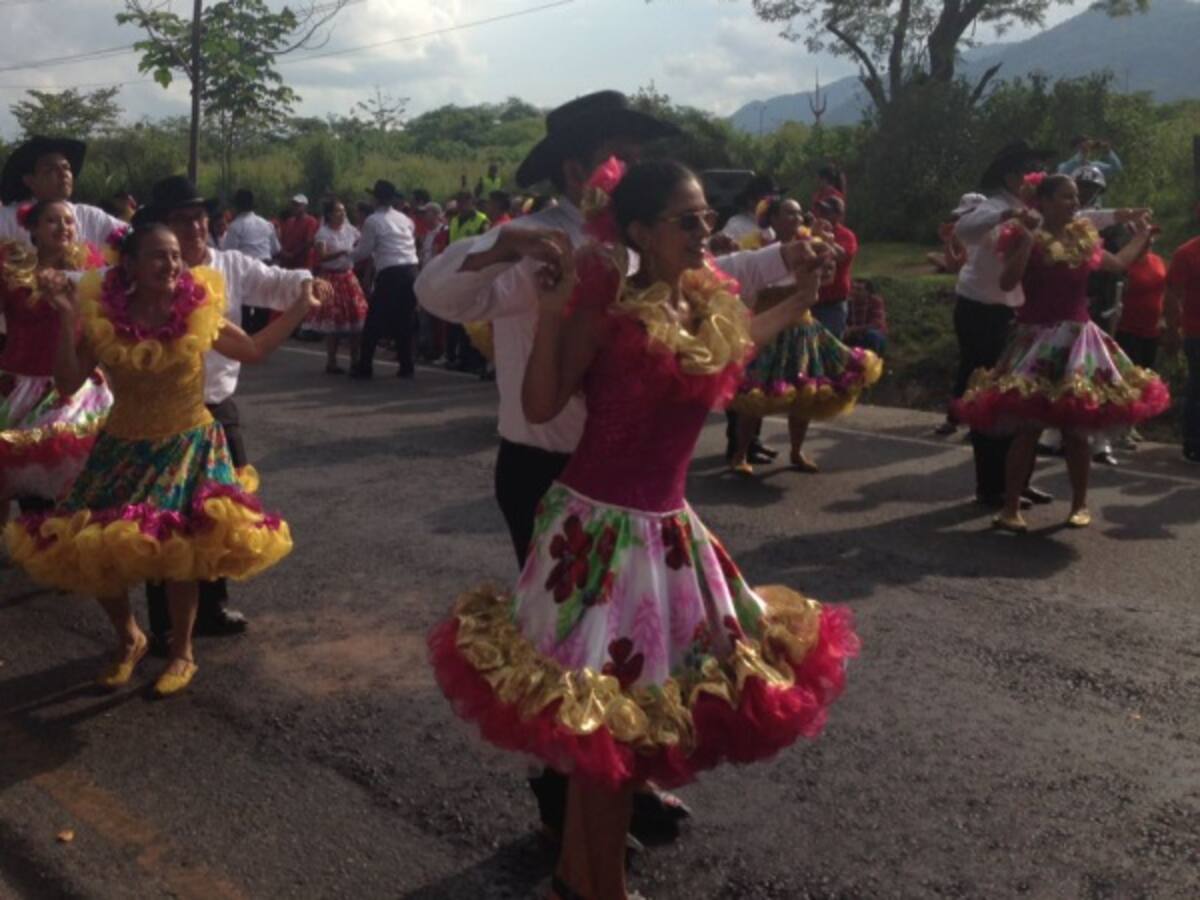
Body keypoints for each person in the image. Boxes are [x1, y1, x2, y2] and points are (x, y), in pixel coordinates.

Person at [427, 158, 858, 900]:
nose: (704, 232)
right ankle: (604, 889)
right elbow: (538, 407)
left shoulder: (705, 305)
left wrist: (802, 297)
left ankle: (578, 876)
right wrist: (557, 310)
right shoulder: (608, 310)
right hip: (595, 536)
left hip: (667, 536)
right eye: (685, 221)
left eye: (705, 220)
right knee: (605, 726)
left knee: (631, 724)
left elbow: (737, 341)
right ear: (639, 232)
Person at [4, 221, 314, 696]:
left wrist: (299, 308)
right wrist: (68, 319)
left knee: (178, 552)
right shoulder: (107, 317)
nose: (171, 264)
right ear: (129, 264)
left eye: (174, 256)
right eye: (158, 256)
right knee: (93, 548)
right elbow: (67, 383)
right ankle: (129, 637)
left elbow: (252, 349)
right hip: (123, 444)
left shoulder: (197, 311)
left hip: (187, 443)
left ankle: (182, 651)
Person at [141, 175, 329, 653]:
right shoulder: (148, 275)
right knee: (161, 520)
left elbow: (281, 284)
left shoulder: (231, 265)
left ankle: (213, 603)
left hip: (216, 407)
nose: (195, 227)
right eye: (182, 220)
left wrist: (311, 282)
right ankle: (164, 621)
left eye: (201, 217)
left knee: (221, 509)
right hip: (161, 414)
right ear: (161, 227)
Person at [953, 174, 1168, 531]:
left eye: (1075, 197)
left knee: (1076, 430)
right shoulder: (1023, 234)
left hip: (1078, 339)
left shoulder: (1081, 236)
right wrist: (1025, 240)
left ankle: (1079, 505)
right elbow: (1008, 283)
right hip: (1036, 338)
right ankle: (1009, 508)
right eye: (1067, 196)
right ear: (1045, 201)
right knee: (1028, 429)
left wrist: (1144, 238)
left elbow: (1116, 264)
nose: (1074, 202)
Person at [728, 197, 882, 475]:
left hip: (803, 328)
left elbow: (831, 268)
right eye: (789, 213)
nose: (797, 219)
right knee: (756, 395)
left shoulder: (811, 244)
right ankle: (740, 453)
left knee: (806, 392)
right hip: (769, 328)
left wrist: (823, 259)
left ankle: (797, 451)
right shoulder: (756, 245)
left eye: (799, 214)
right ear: (772, 218)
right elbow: (746, 287)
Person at [952, 140, 1058, 509]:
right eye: (1032, 173)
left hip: (1017, 314)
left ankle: (1017, 480)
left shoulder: (1031, 209)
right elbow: (964, 229)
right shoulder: (993, 206)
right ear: (1014, 177)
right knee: (991, 397)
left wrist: (1120, 216)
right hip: (981, 310)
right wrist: (1007, 219)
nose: (1037, 179)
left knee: (1021, 400)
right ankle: (991, 485)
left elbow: (1074, 220)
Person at [0, 201, 111, 520]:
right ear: (32, 228)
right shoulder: (12, 273)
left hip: (76, 389)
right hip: (18, 388)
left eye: (69, 221)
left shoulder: (90, 274)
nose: (64, 227)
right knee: (17, 477)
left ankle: (64, 545)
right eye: (52, 220)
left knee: (74, 480)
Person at [0, 135, 127, 247]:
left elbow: (133, 240)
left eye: (66, 168)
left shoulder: (91, 217)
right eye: (50, 170)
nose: (63, 174)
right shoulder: (7, 219)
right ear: (30, 181)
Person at [350, 180, 419, 379]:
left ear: (376, 199)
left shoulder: (373, 220)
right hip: (410, 269)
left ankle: (365, 366)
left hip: (390, 272)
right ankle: (406, 366)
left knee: (374, 320)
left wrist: (345, 254)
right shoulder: (405, 219)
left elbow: (363, 251)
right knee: (403, 319)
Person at [306, 199, 367, 373]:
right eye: (338, 211)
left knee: (356, 319)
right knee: (334, 323)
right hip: (332, 280)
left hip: (349, 278)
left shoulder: (351, 230)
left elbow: (363, 245)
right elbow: (322, 257)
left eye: (344, 211)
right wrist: (341, 252)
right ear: (329, 215)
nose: (342, 214)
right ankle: (331, 361)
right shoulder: (323, 233)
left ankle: (355, 360)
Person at [221, 188, 281, 333]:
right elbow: (276, 249)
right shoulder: (267, 224)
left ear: (237, 206)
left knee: (243, 310)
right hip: (265, 267)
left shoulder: (235, 227)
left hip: (245, 270)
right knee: (263, 309)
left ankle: (246, 341)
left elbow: (228, 253)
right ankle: (259, 341)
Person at [1163, 228, 1200, 462]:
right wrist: (1173, 329)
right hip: (1196, 332)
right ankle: (1194, 441)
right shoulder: (1187, 253)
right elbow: (1172, 294)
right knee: (1198, 386)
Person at [811, 194, 857, 338]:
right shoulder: (810, 231)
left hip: (832, 304)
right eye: (821, 211)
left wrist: (823, 236)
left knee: (830, 347)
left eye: (827, 211)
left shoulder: (846, 235)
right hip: (810, 301)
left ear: (839, 215)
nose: (822, 215)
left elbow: (841, 256)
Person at [721, 173, 783, 243]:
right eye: (768, 198)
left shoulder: (776, 225)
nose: (773, 202)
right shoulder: (736, 226)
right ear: (751, 201)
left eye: (775, 198)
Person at [844, 278, 888, 355]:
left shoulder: (875, 301)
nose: (854, 292)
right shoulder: (848, 302)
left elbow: (876, 323)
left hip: (869, 335)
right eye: (853, 288)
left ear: (868, 292)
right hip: (853, 336)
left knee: (872, 335)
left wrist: (854, 329)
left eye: (859, 289)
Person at [279, 193, 319, 271]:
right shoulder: (289, 221)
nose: (294, 207)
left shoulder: (311, 221)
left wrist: (293, 255)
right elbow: (283, 239)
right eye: (293, 204)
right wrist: (283, 253)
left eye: (297, 205)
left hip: (303, 265)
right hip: (287, 265)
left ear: (305, 206)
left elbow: (309, 243)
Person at [1057, 137, 1123, 180]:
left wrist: (1108, 151)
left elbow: (1116, 169)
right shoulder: (1063, 166)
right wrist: (1081, 154)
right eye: (1079, 146)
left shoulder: (1096, 166)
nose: (1085, 149)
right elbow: (1062, 174)